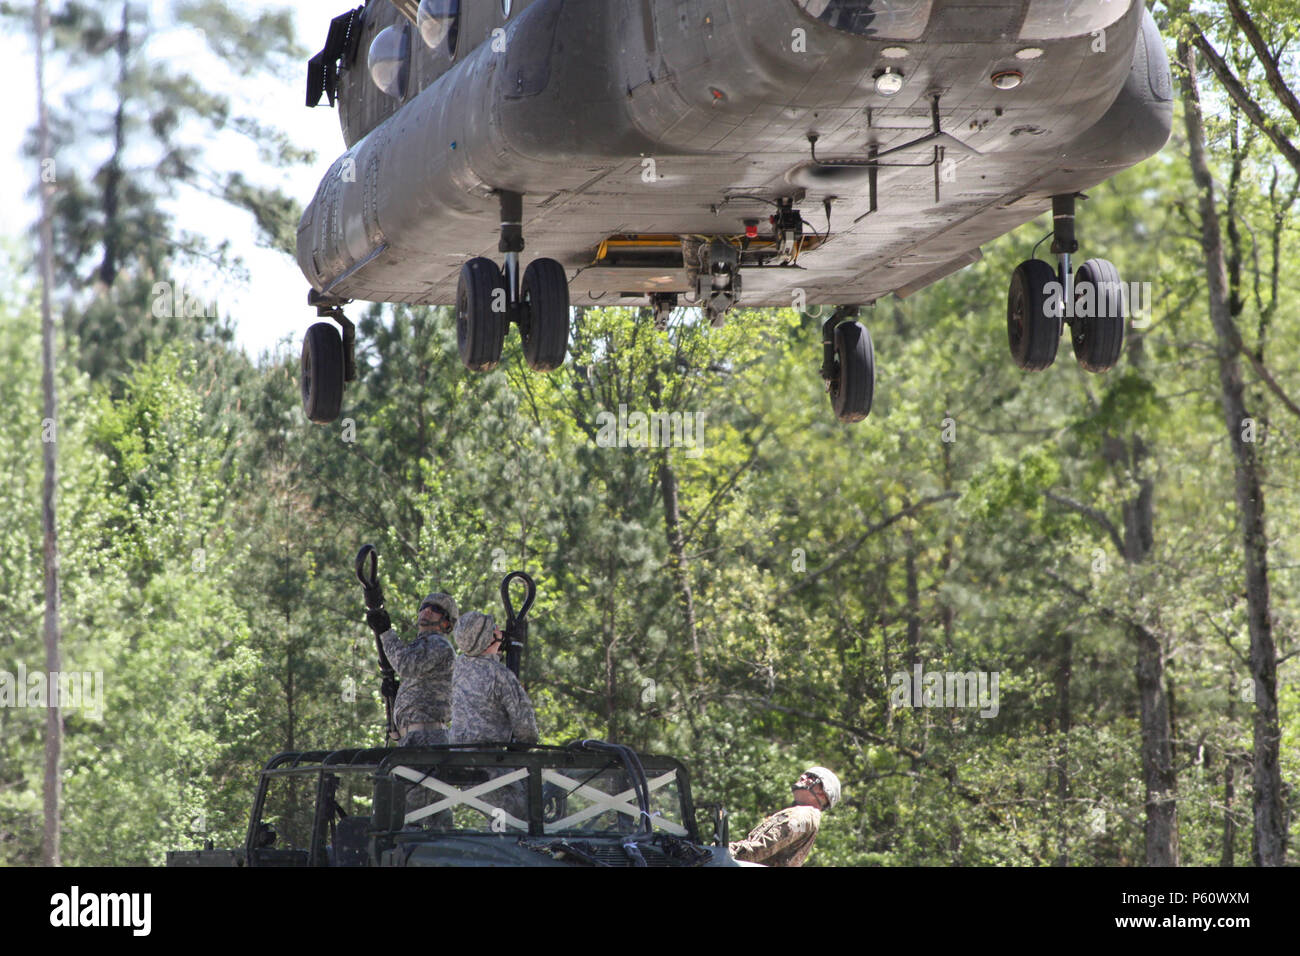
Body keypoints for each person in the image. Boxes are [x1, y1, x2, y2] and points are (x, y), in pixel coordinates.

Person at [366, 592, 459, 746]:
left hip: (427, 738)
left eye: (436, 609)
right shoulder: (421, 646)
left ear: (447, 623)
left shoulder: (439, 644)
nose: (427, 611)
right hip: (414, 738)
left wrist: (385, 632)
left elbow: (405, 665)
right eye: (424, 607)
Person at [451, 611, 538, 746]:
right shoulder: (500, 675)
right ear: (489, 638)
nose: (499, 631)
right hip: (489, 762)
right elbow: (526, 730)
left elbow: (480, 665)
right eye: (494, 628)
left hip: (455, 758)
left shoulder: (458, 666)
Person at [728, 766, 841, 867]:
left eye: (811, 777)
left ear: (824, 793)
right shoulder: (807, 817)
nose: (802, 777)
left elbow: (765, 846)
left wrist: (726, 853)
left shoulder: (803, 815)